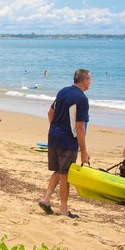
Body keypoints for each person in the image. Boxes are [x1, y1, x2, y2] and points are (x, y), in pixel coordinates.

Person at [37, 68, 91, 218]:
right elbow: (80, 128)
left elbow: (50, 113)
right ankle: (63, 209)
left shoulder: (63, 92)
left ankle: (46, 199)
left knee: (58, 170)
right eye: (90, 79)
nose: (90, 82)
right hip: (68, 141)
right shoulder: (81, 98)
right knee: (65, 175)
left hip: (53, 137)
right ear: (85, 80)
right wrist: (84, 152)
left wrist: (55, 129)